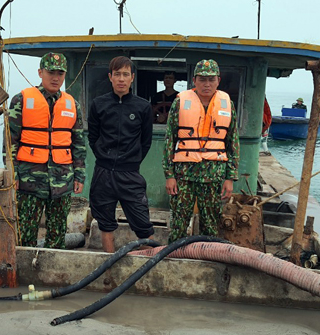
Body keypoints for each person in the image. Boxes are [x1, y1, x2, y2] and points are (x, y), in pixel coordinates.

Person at [8, 52, 85, 248]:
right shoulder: (21, 100)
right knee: (26, 232)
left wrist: (79, 176)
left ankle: (52, 274)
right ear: (40, 72)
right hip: (29, 180)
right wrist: (13, 174)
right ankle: (26, 273)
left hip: (63, 180)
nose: (56, 77)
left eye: (60, 73)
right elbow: (10, 142)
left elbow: (78, 143)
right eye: (51, 72)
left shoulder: (73, 104)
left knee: (58, 232)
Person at [163, 59, 240, 242]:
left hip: (213, 175)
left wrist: (230, 178)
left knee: (211, 223)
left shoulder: (227, 104)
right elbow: (169, 141)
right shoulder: (180, 102)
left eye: (211, 79)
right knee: (179, 222)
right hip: (183, 174)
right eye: (202, 79)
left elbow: (233, 143)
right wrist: (169, 175)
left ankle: (207, 259)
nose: (207, 84)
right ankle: (175, 258)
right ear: (194, 81)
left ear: (218, 81)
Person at [87, 56, 155, 252]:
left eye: (126, 74)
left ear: (132, 78)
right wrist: (104, 156)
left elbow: (146, 141)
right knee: (105, 222)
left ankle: (149, 263)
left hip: (130, 174)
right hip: (103, 173)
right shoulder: (98, 104)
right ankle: (109, 264)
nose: (121, 79)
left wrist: (130, 161)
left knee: (143, 223)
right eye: (117, 74)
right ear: (110, 77)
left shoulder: (142, 107)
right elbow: (93, 137)